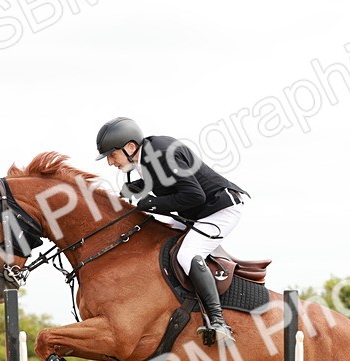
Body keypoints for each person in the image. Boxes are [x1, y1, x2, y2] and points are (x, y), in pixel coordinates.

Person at [95, 116, 248, 346]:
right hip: (199, 211)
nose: (110, 162)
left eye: (111, 155)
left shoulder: (163, 154)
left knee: (186, 254)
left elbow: (195, 195)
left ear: (129, 147)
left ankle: (218, 322)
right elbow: (166, 184)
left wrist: (152, 204)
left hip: (220, 209)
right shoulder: (144, 158)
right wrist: (136, 187)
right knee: (156, 237)